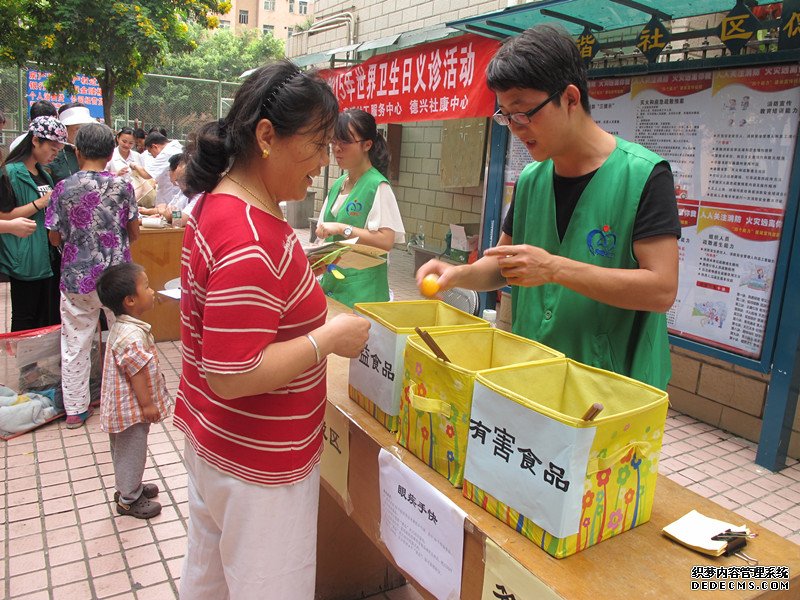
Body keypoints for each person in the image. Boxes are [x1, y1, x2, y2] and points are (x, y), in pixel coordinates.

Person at [176, 59, 370, 599]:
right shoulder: (251, 238)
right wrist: (328, 338)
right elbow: (234, 374)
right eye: (316, 144)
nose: (322, 164)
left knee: (209, 577)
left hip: (216, 440)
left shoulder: (217, 203)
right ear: (267, 136)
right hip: (258, 462)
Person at [417, 25, 680, 390]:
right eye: (506, 116)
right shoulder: (531, 179)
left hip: (609, 392)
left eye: (523, 112)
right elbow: (505, 266)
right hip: (533, 375)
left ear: (570, 99)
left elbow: (661, 290)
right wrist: (457, 274)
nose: (515, 127)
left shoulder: (645, 176)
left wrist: (554, 268)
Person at [45, 123, 140, 429]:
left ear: (78, 151)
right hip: (118, 278)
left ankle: (75, 410)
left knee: (75, 344)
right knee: (123, 340)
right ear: (112, 151)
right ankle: (123, 399)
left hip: (76, 279)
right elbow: (134, 233)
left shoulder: (62, 188)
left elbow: (54, 237)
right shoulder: (123, 187)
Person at [95, 262, 173, 519]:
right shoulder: (132, 336)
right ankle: (128, 499)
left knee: (123, 450)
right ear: (130, 300)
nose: (152, 292)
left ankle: (130, 487)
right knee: (132, 452)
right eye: (147, 286)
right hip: (131, 411)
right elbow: (137, 373)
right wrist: (148, 405)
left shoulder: (123, 326)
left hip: (120, 408)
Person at [315, 109, 405, 306]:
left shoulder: (377, 186)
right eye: (334, 142)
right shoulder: (338, 184)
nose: (337, 149)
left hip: (364, 293)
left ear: (367, 145)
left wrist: (342, 229)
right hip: (333, 285)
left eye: (345, 142)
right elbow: (323, 234)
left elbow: (386, 240)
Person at [0, 116, 67, 330]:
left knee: (45, 311)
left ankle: (38, 362)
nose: (54, 155)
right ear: (36, 141)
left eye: (58, 152)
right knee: (25, 314)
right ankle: (26, 364)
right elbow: (4, 216)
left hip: (46, 253)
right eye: (52, 149)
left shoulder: (43, 174)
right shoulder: (11, 173)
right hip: (25, 255)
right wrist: (41, 202)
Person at [48, 103, 95, 183]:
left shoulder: (94, 153)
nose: (83, 133)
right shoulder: (52, 155)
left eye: (86, 128)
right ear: (64, 130)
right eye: (77, 129)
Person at [143, 132, 183, 206]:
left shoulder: (166, 153)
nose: (153, 156)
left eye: (169, 170)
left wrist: (134, 165)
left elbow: (177, 215)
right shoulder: (182, 195)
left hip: (168, 201)